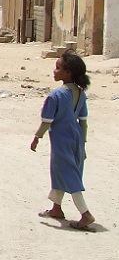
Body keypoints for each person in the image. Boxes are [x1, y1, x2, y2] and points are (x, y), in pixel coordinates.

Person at [30, 50, 95, 230]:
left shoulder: (56, 95)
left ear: (68, 73)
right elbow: (83, 122)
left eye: (58, 68)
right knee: (60, 171)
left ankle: (85, 214)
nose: (54, 71)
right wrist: (83, 145)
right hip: (76, 138)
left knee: (68, 174)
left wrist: (37, 137)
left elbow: (47, 121)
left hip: (61, 138)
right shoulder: (81, 94)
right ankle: (56, 208)